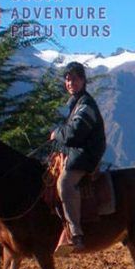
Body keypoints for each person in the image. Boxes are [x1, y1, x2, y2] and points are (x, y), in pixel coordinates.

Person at [51, 62, 106, 253]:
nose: (70, 83)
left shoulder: (86, 105)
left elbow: (74, 134)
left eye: (74, 79)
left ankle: (76, 234)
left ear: (83, 81)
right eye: (67, 79)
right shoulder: (76, 104)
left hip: (87, 155)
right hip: (77, 153)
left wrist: (57, 133)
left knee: (64, 183)